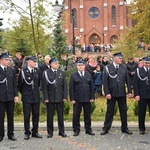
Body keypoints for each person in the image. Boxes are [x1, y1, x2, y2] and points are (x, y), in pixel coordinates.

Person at [100, 52, 133, 135]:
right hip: (112, 93)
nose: (121, 60)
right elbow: (105, 81)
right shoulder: (107, 68)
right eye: (120, 58)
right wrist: (107, 93)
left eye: (121, 58)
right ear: (115, 58)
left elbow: (127, 80)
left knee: (123, 111)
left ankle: (124, 128)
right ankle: (106, 128)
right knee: (110, 111)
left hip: (121, 93)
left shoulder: (124, 67)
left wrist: (129, 91)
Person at [18, 56, 42, 140]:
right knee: (27, 115)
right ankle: (27, 132)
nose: (35, 63)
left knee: (36, 115)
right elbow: (20, 85)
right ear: (29, 62)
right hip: (27, 97)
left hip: (35, 97)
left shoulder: (37, 71)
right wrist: (25, 94)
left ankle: (35, 131)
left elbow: (38, 84)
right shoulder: (23, 72)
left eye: (36, 61)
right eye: (33, 61)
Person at [42, 57, 67, 138]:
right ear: (51, 64)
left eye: (58, 63)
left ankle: (61, 131)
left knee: (60, 115)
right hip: (50, 97)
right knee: (50, 116)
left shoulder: (61, 73)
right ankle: (50, 132)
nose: (57, 65)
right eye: (55, 63)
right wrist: (46, 97)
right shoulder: (46, 73)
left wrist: (65, 96)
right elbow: (44, 87)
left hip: (60, 97)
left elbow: (64, 86)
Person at [69, 59, 95, 136]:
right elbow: (71, 88)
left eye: (82, 65)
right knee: (76, 115)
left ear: (84, 66)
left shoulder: (88, 75)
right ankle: (76, 130)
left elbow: (92, 87)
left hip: (87, 98)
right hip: (77, 99)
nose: (81, 66)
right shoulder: (73, 76)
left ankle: (88, 129)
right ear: (77, 66)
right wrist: (72, 99)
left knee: (87, 115)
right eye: (79, 65)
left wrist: (92, 97)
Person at [0, 53, 19, 142]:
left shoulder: (11, 70)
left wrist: (16, 95)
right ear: (1, 60)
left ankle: (10, 134)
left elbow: (14, 84)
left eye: (8, 60)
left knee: (10, 117)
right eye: (6, 60)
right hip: (1, 97)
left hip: (10, 97)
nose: (8, 61)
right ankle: (1, 134)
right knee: (1, 117)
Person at [133, 56, 150, 135]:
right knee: (141, 112)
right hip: (142, 95)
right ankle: (141, 128)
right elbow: (135, 84)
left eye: (149, 63)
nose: (148, 64)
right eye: (146, 63)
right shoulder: (138, 70)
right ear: (143, 63)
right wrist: (136, 94)